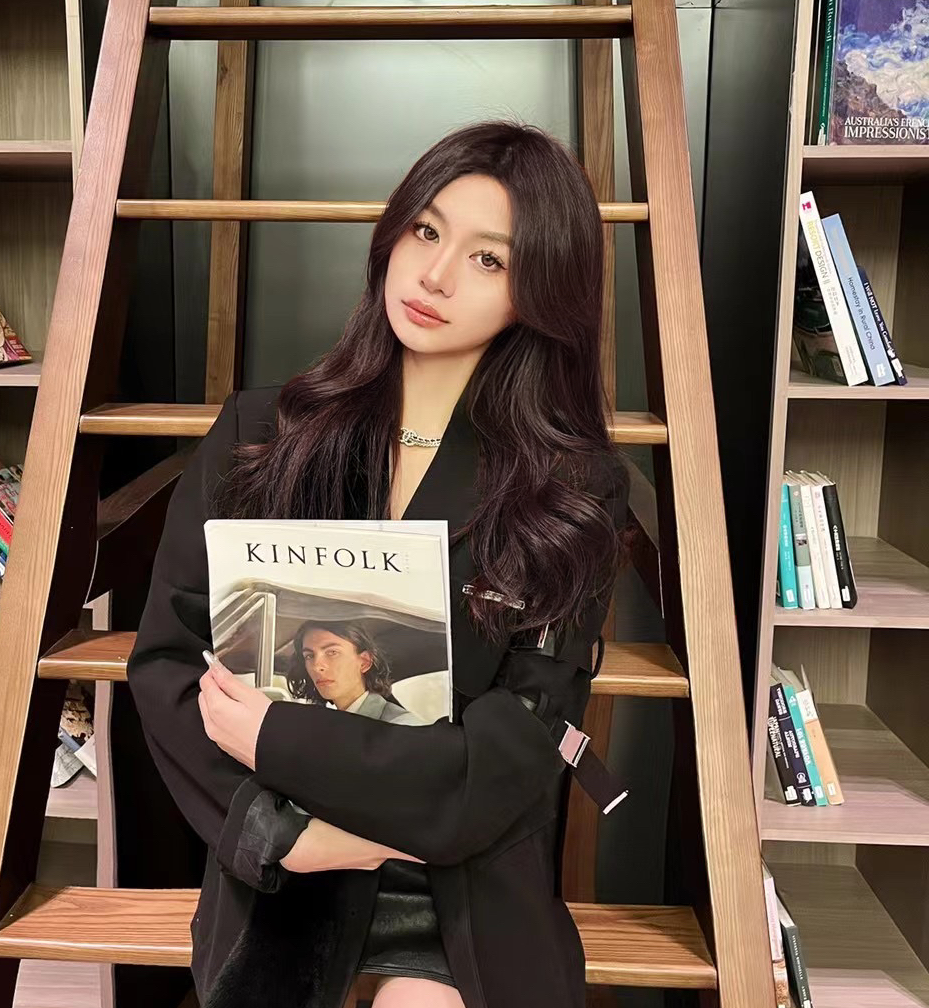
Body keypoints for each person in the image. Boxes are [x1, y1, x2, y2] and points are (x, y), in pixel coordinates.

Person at [127, 119, 631, 1008]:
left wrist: (277, 738)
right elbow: (167, 663)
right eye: (426, 230)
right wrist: (279, 833)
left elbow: (513, 748)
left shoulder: (571, 487)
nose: (435, 274)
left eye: (489, 258)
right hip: (287, 868)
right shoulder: (257, 434)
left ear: (540, 290)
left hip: (456, 880)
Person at [286, 619, 425, 725]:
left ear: (364, 662)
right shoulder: (324, 725)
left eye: (332, 652)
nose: (317, 666)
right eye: (309, 656)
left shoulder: (401, 726)